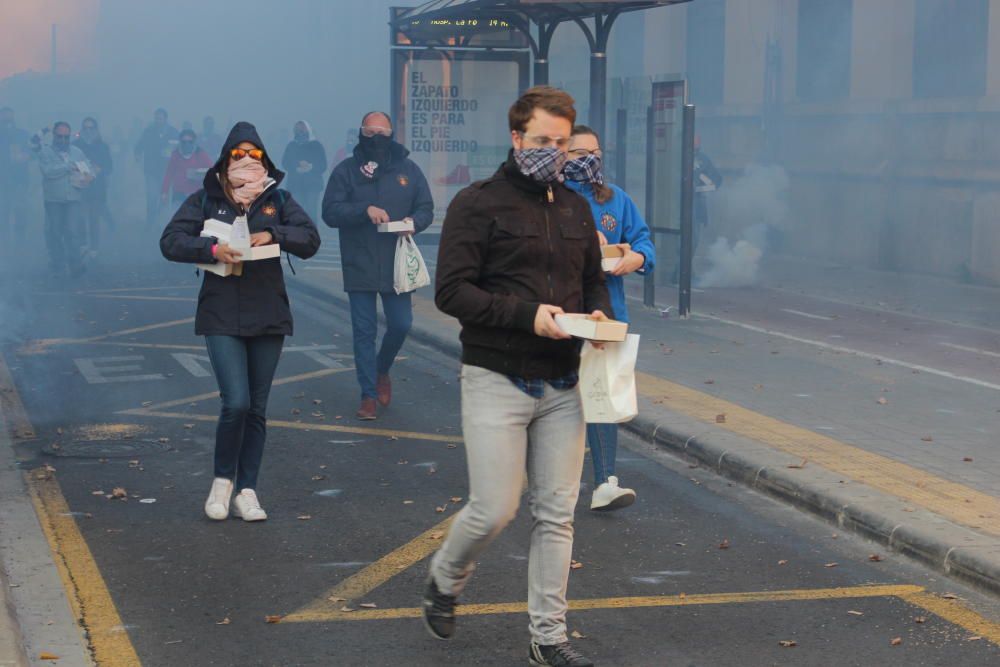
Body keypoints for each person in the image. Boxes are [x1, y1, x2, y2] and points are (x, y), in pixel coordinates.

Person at [427, 86, 610, 667]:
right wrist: (528, 315)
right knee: (494, 508)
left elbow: (593, 279)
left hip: (563, 383)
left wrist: (599, 313)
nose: (552, 152)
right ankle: (446, 577)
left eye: (561, 142)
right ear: (515, 138)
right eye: (541, 141)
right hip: (496, 377)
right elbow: (451, 291)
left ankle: (548, 638)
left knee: (557, 514)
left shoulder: (576, 207)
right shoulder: (476, 204)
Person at [159, 121, 320, 522]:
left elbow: (311, 239)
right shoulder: (205, 199)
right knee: (236, 403)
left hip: (268, 313)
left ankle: (247, 490)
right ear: (225, 159)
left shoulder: (277, 199)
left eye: (254, 154)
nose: (246, 160)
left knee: (258, 409)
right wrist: (211, 247)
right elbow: (170, 241)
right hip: (221, 312)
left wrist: (273, 234)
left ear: (265, 159)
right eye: (238, 154)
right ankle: (221, 482)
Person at [565, 125, 655, 512]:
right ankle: (554, 480)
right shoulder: (550, 200)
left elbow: (644, 241)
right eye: (578, 152)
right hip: (562, 314)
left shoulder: (616, 199)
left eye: (595, 152)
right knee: (560, 401)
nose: (588, 159)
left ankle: (605, 480)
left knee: (603, 399)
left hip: (608, 313)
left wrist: (638, 257)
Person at [322, 111, 433, 421]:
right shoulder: (346, 170)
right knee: (363, 331)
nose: (376, 139)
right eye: (370, 133)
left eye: (382, 132)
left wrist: (415, 222)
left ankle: (381, 368)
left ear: (392, 133)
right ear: (360, 133)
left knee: (401, 324)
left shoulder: (408, 170)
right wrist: (363, 210)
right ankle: (368, 394)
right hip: (359, 259)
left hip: (397, 260)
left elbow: (426, 207)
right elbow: (330, 211)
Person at [39, 122, 92, 277]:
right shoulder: (45, 152)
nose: (62, 140)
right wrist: (67, 167)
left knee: (72, 231)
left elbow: (86, 168)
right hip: (53, 199)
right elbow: (48, 172)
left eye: (66, 137)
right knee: (55, 232)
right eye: (59, 136)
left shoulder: (77, 152)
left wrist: (89, 176)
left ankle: (75, 264)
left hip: (73, 198)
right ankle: (58, 264)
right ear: (54, 136)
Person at [73, 117, 113, 253]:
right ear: (82, 129)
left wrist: (100, 169)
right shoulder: (75, 145)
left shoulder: (103, 146)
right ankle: (82, 243)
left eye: (91, 128)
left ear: (96, 129)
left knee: (94, 218)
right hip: (79, 186)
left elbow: (109, 167)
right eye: (86, 128)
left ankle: (94, 247)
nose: (88, 131)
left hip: (97, 188)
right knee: (79, 217)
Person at [134, 108, 178, 225]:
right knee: (152, 198)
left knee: (164, 198)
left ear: (165, 119)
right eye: (156, 118)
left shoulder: (173, 132)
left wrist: (172, 152)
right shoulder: (148, 131)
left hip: (167, 171)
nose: (158, 120)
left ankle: (161, 223)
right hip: (151, 170)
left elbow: (180, 148)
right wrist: (137, 154)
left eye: (160, 118)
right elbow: (139, 146)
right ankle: (150, 223)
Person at [281, 120, 327, 223]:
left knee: (311, 212)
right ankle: (298, 236)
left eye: (302, 129)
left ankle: (312, 235)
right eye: (297, 129)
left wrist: (311, 167)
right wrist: (296, 167)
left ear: (308, 130)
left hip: (312, 186)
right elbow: (285, 162)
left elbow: (323, 165)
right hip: (295, 185)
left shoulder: (316, 145)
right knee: (296, 212)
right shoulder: (292, 145)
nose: (300, 132)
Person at [0, 107, 31, 251]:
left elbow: (33, 151)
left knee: (20, 211)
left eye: (9, 118)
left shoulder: (22, 135)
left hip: (19, 180)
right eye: (4, 118)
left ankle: (20, 243)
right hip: (2, 180)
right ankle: (4, 243)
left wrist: (27, 156)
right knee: (3, 212)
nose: (7, 121)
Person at [161, 129, 213, 205]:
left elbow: (212, 172)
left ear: (194, 142)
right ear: (180, 142)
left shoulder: (200, 154)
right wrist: (164, 192)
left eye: (190, 142)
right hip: (178, 194)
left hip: (196, 194)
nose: (187, 144)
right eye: (184, 142)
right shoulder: (175, 155)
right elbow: (169, 174)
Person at [692, 135, 722, 257]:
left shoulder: (702, 160)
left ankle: (686, 271)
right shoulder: (675, 157)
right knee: (681, 243)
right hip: (677, 207)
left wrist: (704, 185)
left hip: (696, 205)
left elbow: (716, 179)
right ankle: (678, 273)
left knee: (693, 241)